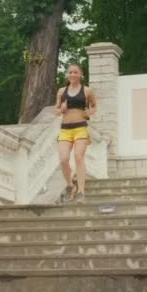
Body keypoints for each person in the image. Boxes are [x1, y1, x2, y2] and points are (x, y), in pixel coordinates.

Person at [54, 64, 97, 203]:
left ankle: (81, 191)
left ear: (81, 75)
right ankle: (71, 185)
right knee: (63, 159)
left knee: (78, 157)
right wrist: (61, 108)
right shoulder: (61, 91)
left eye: (75, 72)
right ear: (68, 75)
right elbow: (55, 111)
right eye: (70, 72)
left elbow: (94, 106)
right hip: (65, 129)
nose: (72, 74)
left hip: (80, 128)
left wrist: (89, 112)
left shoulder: (87, 91)